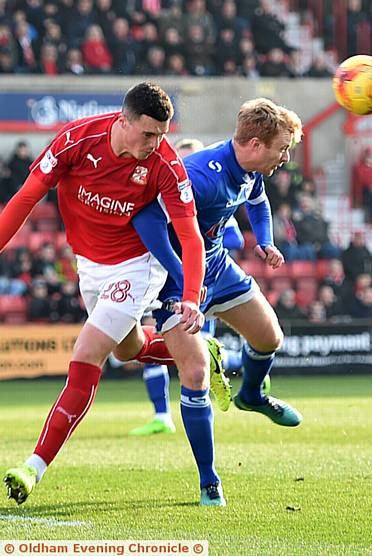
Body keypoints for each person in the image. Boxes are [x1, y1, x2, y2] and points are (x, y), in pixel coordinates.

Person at [2, 83, 230, 507]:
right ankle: (202, 353)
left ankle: (33, 466)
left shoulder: (165, 164)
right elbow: (27, 197)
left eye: (162, 134)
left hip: (137, 266)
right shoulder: (76, 140)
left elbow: (191, 238)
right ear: (122, 121)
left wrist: (193, 297)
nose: (156, 143)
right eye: (148, 134)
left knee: (87, 353)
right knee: (130, 349)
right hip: (89, 265)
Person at [132, 98, 303, 433]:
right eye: (283, 149)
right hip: (175, 278)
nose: (286, 158)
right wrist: (180, 271)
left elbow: (259, 201)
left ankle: (251, 395)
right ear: (255, 144)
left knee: (270, 337)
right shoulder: (201, 176)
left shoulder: (251, 171)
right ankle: (208, 480)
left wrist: (265, 240)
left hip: (217, 267)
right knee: (194, 375)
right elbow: (147, 220)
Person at [129, 137, 246, 437]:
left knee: (196, 364)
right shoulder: (167, 197)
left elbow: (236, 240)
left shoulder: (211, 194)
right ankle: (161, 415)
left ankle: (243, 364)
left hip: (203, 281)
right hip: (166, 279)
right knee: (150, 345)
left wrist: (201, 241)